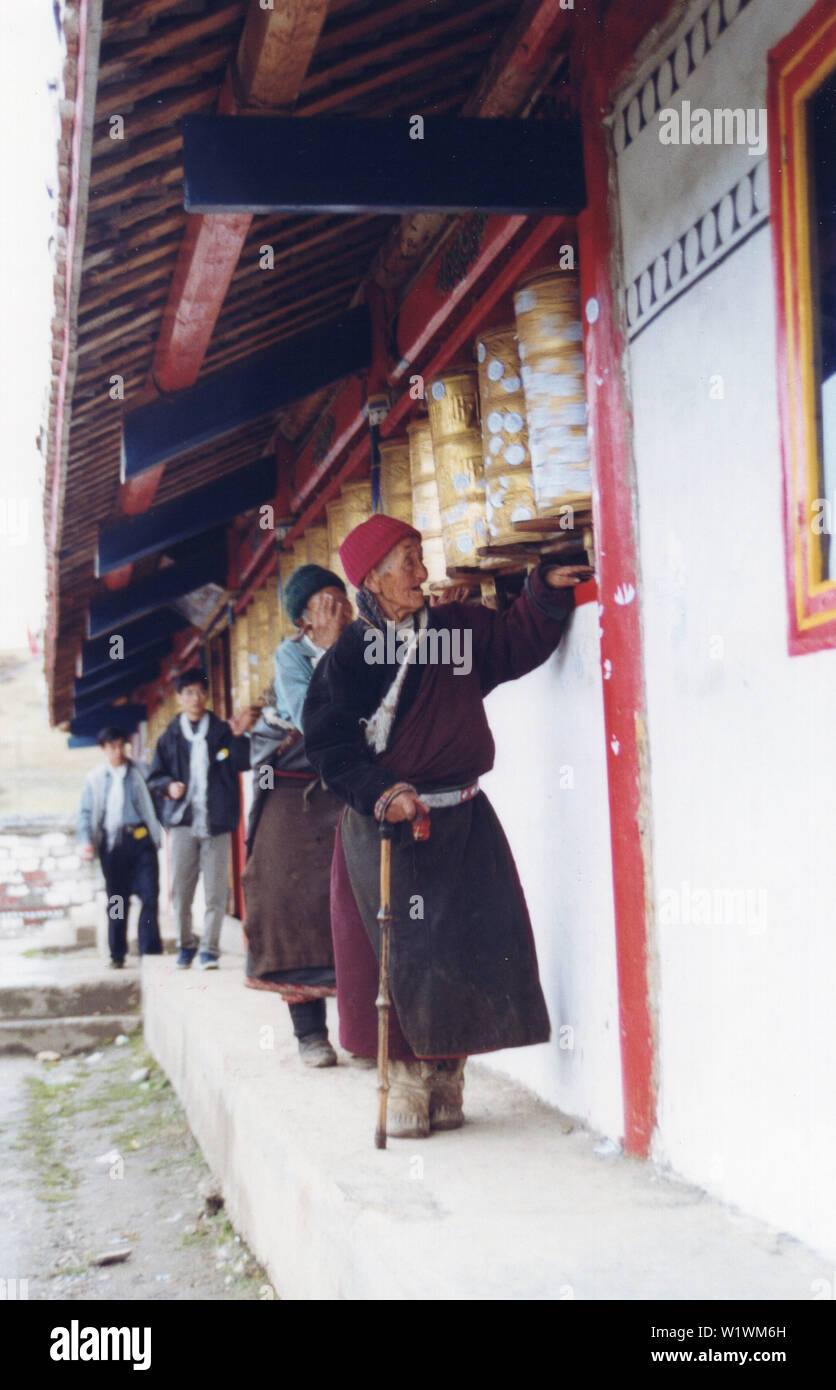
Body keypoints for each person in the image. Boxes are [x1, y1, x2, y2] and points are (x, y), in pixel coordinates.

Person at [303, 513, 592, 1138]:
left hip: (461, 819)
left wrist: (544, 589)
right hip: (391, 827)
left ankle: (447, 1078)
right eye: (405, 560)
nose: (420, 570)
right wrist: (382, 794)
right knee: (402, 956)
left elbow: (513, 642)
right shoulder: (350, 659)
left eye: (418, 555)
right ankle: (407, 1080)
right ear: (372, 581)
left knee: (465, 946)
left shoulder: (452, 630)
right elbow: (329, 750)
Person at [243, 564, 352, 1067]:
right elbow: (313, 717)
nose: (341, 612)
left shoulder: (362, 647)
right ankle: (309, 1033)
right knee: (289, 903)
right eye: (328, 603)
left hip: (345, 788)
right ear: (305, 620)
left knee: (352, 905)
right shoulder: (291, 655)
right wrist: (331, 651)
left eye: (343, 601)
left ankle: (363, 1030)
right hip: (291, 790)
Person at [147, 669, 254, 970]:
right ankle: (185, 945)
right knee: (181, 891)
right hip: (183, 823)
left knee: (216, 890)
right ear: (179, 698)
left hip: (216, 822)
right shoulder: (169, 736)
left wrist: (237, 736)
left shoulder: (221, 730)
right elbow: (154, 776)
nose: (195, 698)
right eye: (188, 693)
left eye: (199, 692)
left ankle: (209, 949)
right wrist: (169, 785)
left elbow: (243, 761)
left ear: (207, 696)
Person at [77, 726, 163, 968]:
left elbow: (157, 801)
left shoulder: (141, 772)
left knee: (149, 896)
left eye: (121, 746)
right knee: (117, 900)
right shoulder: (94, 779)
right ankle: (117, 953)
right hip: (112, 845)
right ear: (103, 749)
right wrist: (85, 841)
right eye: (112, 747)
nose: (118, 751)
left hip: (141, 840)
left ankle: (149, 951)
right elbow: (85, 813)